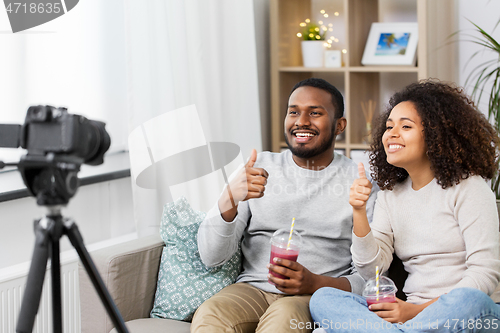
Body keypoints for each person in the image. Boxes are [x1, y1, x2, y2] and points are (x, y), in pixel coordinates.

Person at [309, 80, 500, 332]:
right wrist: (358, 211)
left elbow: (484, 274)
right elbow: (372, 271)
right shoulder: (391, 195)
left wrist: (416, 312)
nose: (391, 134)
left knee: (470, 299)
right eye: (389, 126)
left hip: (464, 312)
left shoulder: (469, 188)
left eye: (406, 126)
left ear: (436, 135)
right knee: (324, 298)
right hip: (412, 317)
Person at [191, 78, 377, 333]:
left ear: (339, 125)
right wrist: (228, 200)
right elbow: (212, 258)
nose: (301, 121)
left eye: (315, 113)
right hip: (252, 289)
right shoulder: (257, 170)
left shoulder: (359, 184)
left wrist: (313, 283)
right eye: (293, 112)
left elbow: (369, 279)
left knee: (282, 321)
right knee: (211, 313)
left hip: (313, 296)